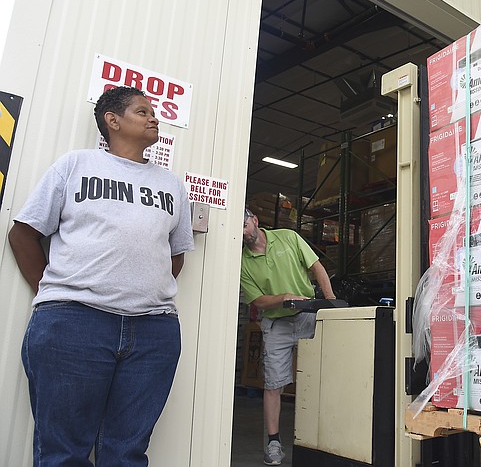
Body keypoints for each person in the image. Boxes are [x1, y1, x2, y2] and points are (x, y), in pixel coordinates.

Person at [8, 85, 194, 466]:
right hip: (73, 323)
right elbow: (23, 233)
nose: (153, 118)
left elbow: (174, 255)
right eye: (142, 112)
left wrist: (143, 285)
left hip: (153, 332)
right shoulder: (75, 165)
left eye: (153, 112)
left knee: (126, 454)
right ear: (112, 120)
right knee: (64, 454)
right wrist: (55, 291)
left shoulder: (172, 184)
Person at [240, 208, 335, 466]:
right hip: (276, 323)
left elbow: (316, 267)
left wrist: (331, 304)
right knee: (274, 384)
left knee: (325, 377)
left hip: (307, 315)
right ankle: (273, 443)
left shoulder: (288, 238)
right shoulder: (244, 264)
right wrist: (283, 298)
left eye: (245, 225)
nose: (242, 232)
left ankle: (331, 435)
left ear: (255, 221)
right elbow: (259, 301)